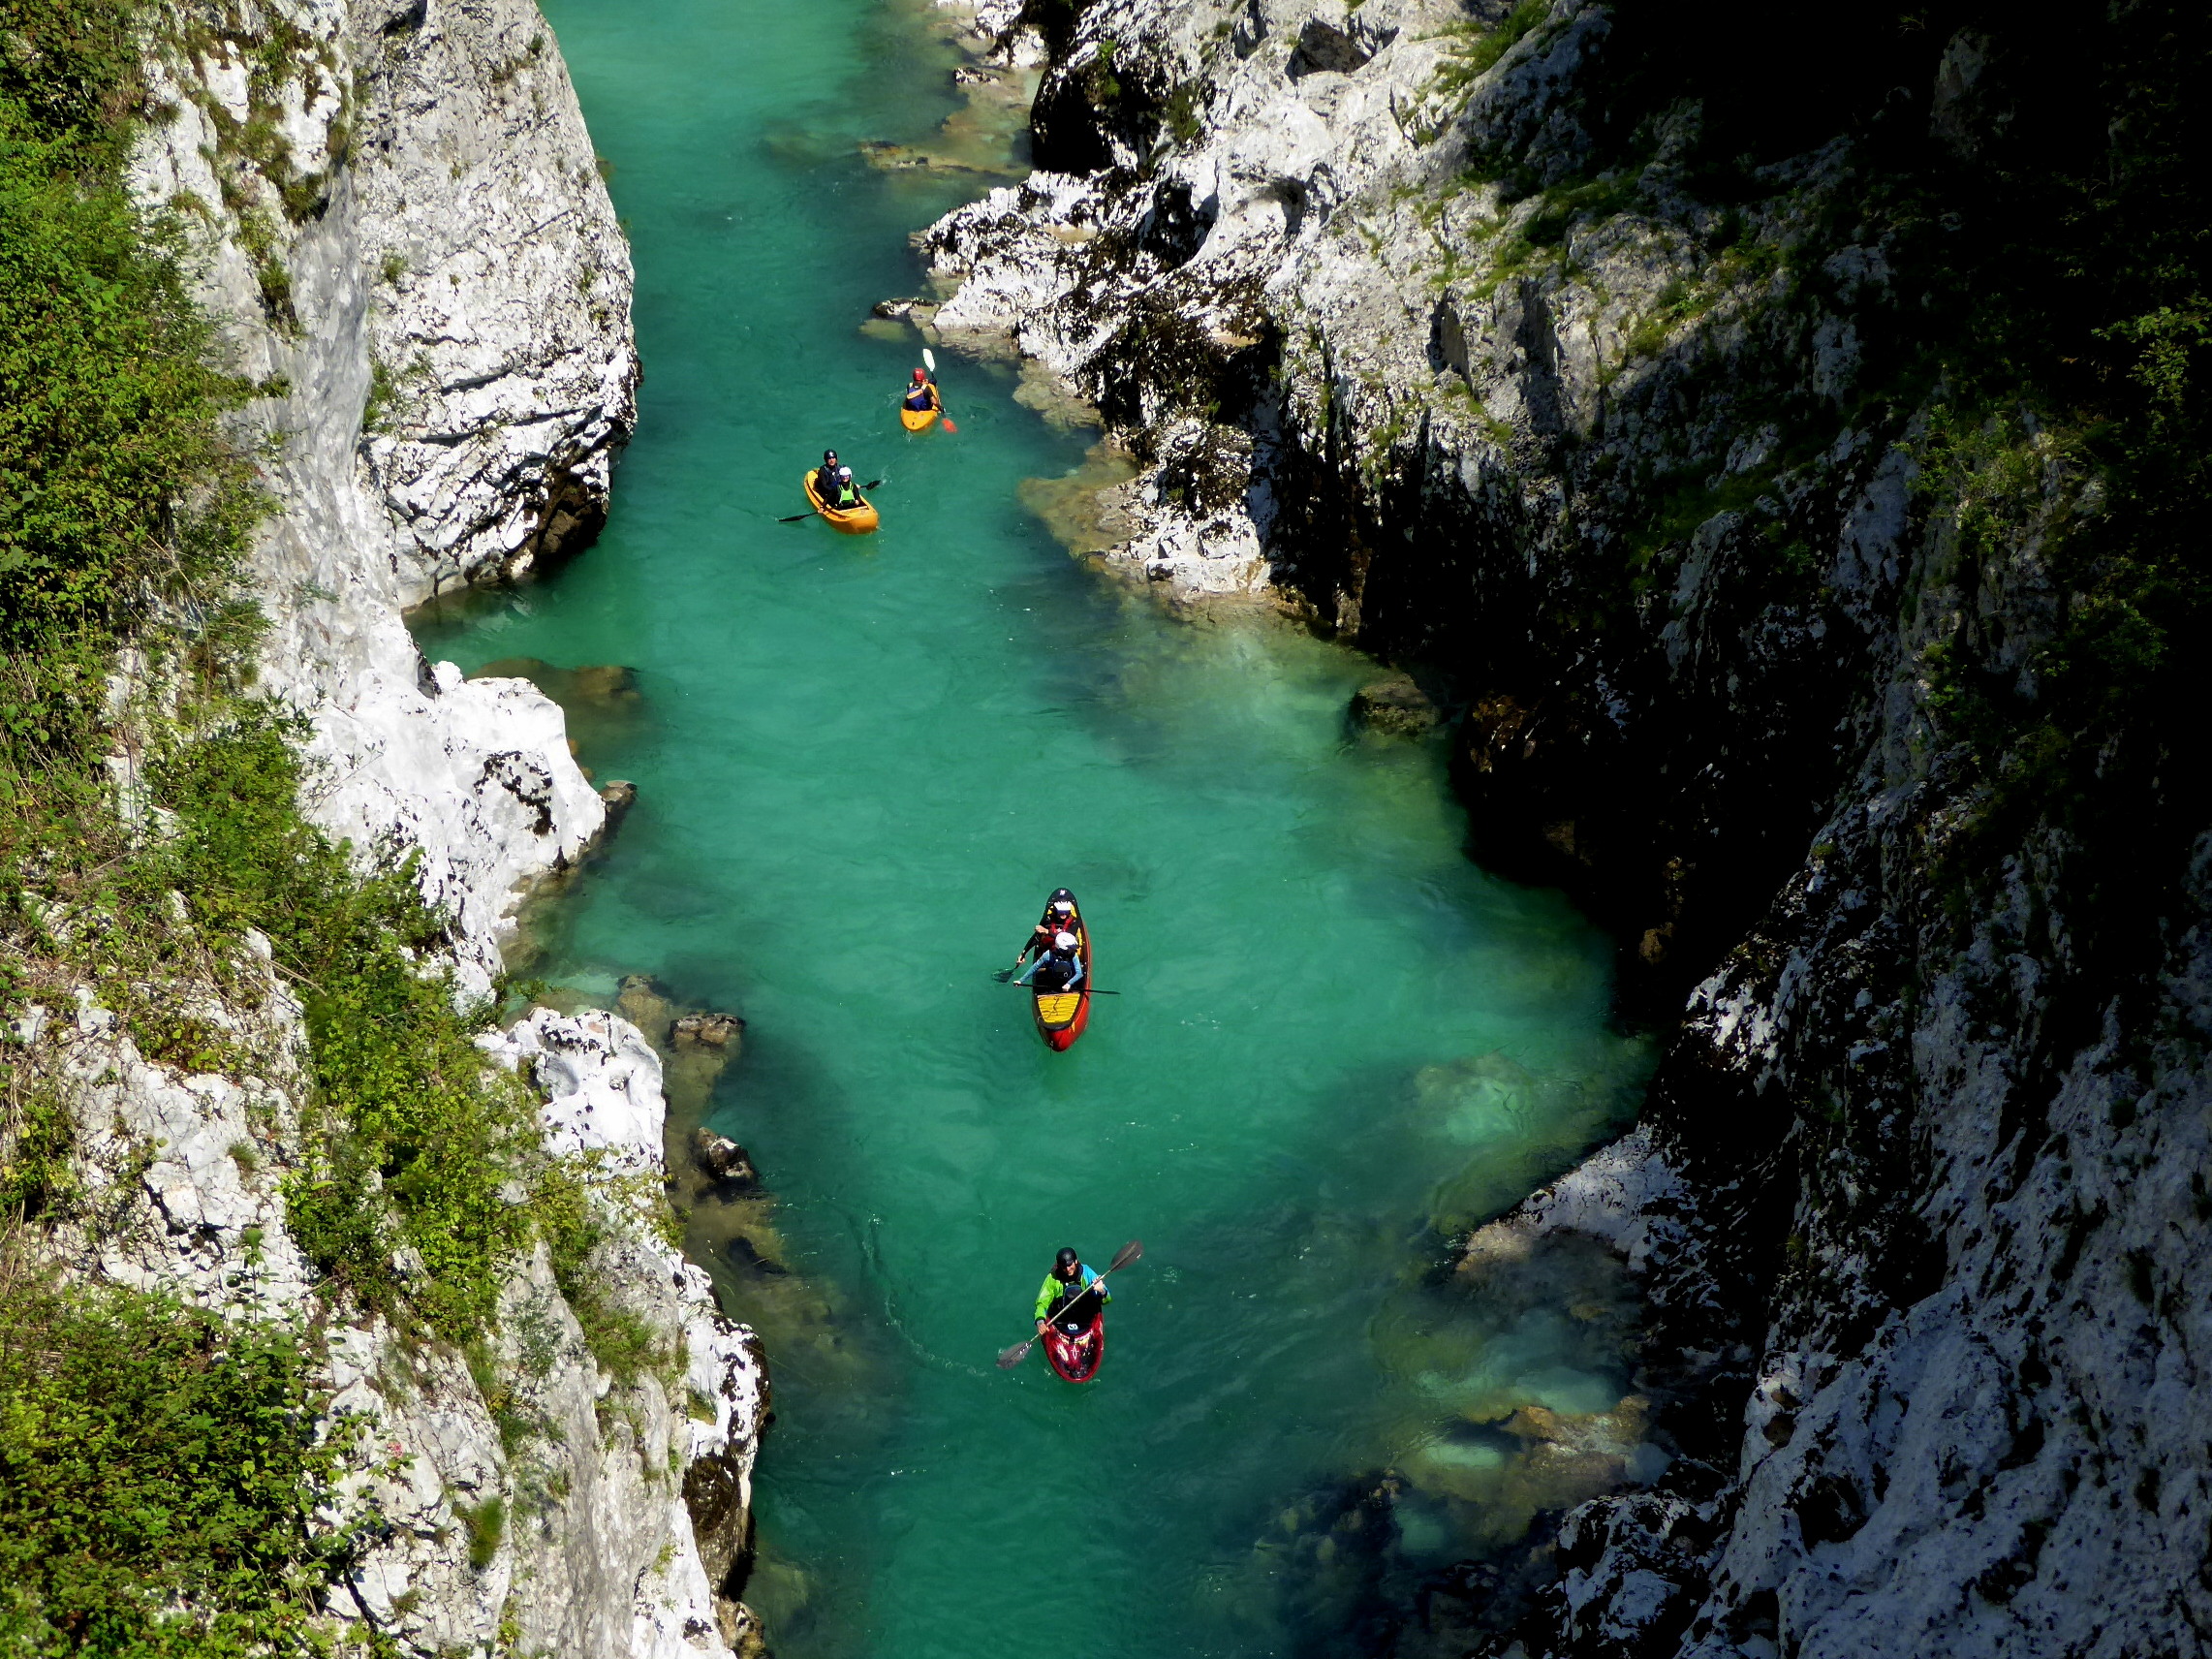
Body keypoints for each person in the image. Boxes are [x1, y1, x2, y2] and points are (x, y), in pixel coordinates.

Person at [1035, 1246, 1109, 1339]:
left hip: (1085, 1316)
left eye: (1070, 1265)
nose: (1067, 1269)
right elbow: (1041, 1303)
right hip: (1061, 1318)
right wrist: (1040, 1322)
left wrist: (1102, 1291)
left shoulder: (1087, 1273)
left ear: (1076, 1261)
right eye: (1064, 1266)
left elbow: (1107, 1299)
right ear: (1059, 1266)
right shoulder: (1052, 1279)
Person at [1015, 890, 1079, 971]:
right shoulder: (1048, 920)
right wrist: (1023, 954)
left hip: (1066, 955)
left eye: (1066, 912)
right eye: (1061, 912)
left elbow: (1066, 939)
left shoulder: (1073, 922)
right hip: (1050, 952)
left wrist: (1047, 931)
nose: (1063, 915)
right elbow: (1036, 937)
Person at [1018, 928, 1084, 991]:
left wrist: (1069, 984)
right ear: (1063, 948)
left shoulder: (1073, 955)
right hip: (1052, 985)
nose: (1074, 949)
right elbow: (1034, 968)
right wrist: (1020, 981)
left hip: (1069, 985)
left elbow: (1079, 973)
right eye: (1071, 948)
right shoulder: (1048, 955)